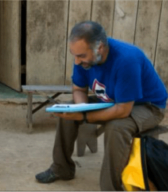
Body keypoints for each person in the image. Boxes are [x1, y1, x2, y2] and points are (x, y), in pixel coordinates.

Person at [35, 21, 167, 190]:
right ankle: (62, 169)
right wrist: (80, 108)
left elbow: (123, 110)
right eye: (74, 55)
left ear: (100, 48)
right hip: (112, 100)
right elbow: (78, 89)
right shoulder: (84, 59)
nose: (76, 61)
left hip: (148, 106)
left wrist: (84, 116)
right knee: (66, 112)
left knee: (116, 127)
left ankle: (109, 187)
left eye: (81, 56)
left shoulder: (127, 59)